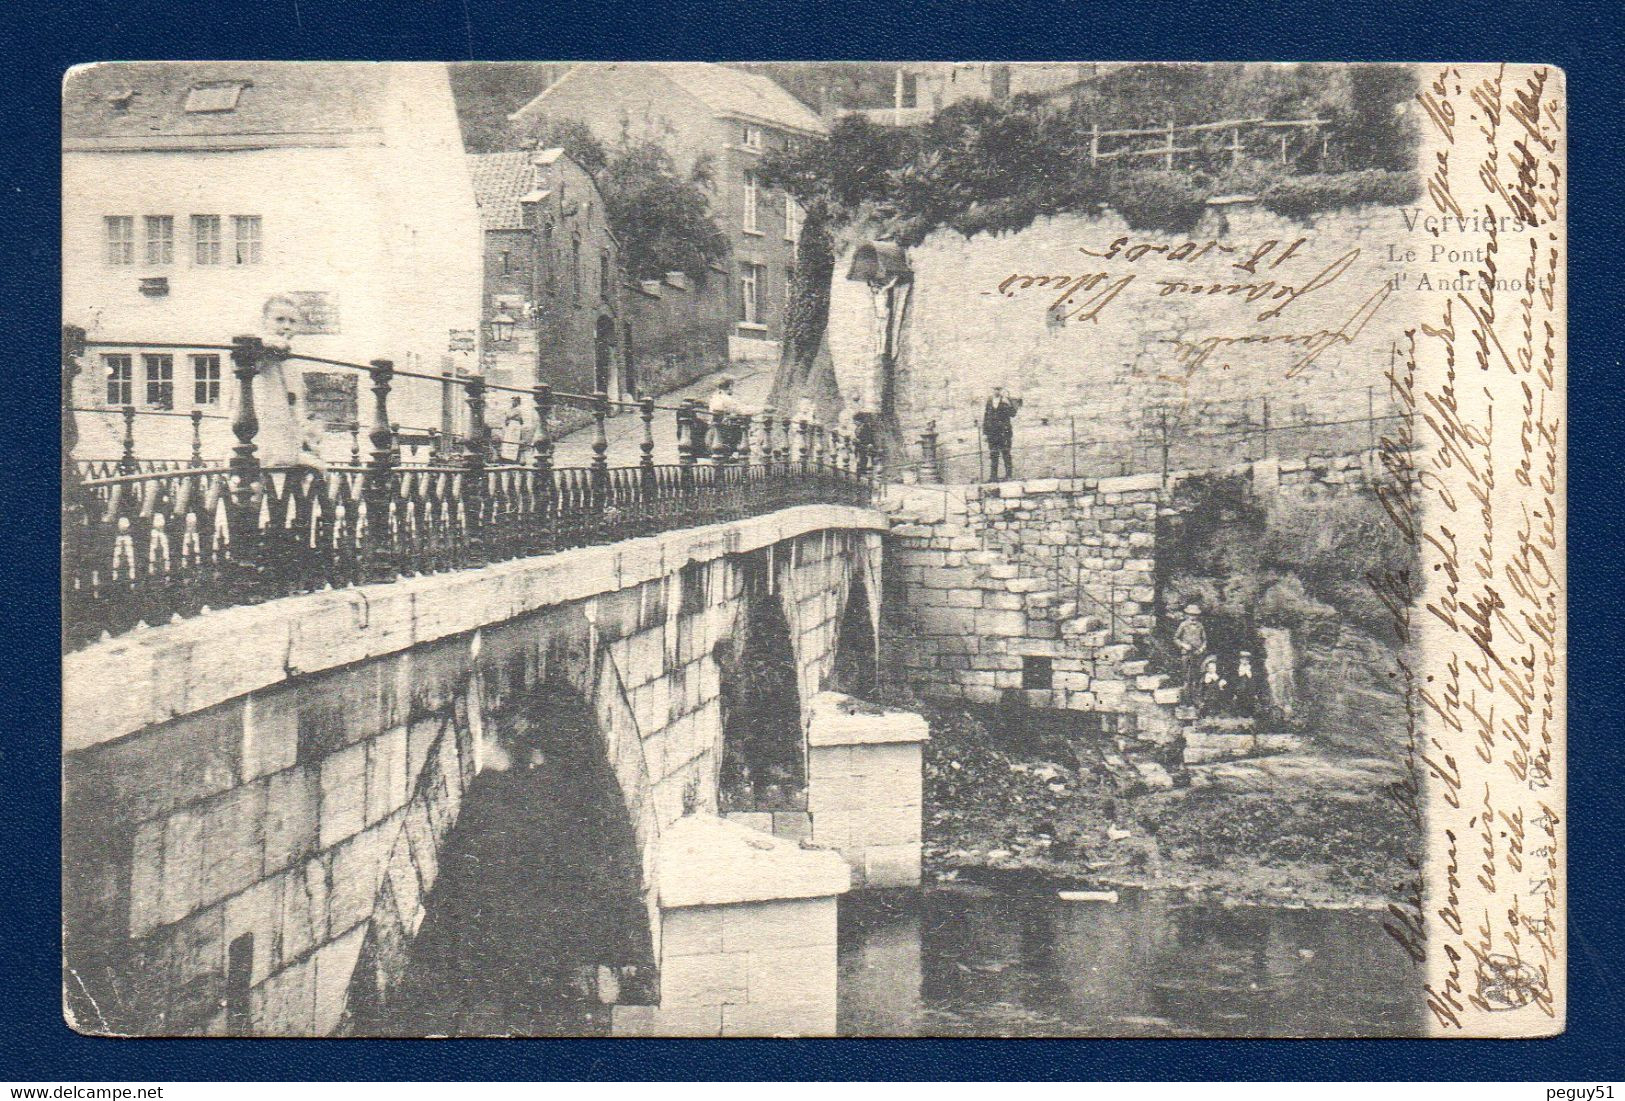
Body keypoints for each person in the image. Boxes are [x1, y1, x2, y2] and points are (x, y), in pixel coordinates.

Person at [246, 295, 326, 471]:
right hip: (260, 441)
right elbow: (255, 356)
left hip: (287, 443)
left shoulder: (291, 362)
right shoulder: (259, 349)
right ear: (264, 321)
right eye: (279, 320)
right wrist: (272, 344)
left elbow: (296, 405)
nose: (286, 326)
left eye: (292, 321)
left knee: (319, 470)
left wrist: (309, 432)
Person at [982, 386, 1020, 481]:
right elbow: (986, 417)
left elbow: (1013, 414)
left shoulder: (1006, 401)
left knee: (1006, 453)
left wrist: (1008, 404)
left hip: (1004, 433)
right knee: (993, 455)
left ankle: (1009, 475)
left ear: (1002, 390)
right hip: (992, 433)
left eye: (999, 389)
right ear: (992, 390)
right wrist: (985, 433)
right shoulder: (989, 401)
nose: (997, 391)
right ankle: (993, 477)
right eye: (995, 389)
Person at [1173, 602, 1208, 704]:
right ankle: (1186, 700)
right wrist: (1184, 645)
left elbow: (1204, 640)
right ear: (1187, 614)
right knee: (1186, 676)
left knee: (1196, 676)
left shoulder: (1200, 626)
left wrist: (1202, 648)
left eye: (1195, 615)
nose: (1193, 617)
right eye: (1191, 614)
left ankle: (1196, 699)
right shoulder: (1183, 625)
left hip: (1198, 654)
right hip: (1186, 654)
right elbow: (1175, 638)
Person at [708, 377, 745, 458]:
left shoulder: (715, 396)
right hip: (723, 429)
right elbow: (740, 411)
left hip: (712, 427)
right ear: (730, 386)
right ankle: (736, 452)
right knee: (740, 425)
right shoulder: (726, 398)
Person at [501, 395, 532, 464]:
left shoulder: (518, 409)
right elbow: (506, 418)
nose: (512, 402)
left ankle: (514, 458)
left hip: (515, 427)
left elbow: (510, 416)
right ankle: (507, 457)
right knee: (508, 440)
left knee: (514, 441)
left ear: (517, 402)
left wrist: (508, 415)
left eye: (514, 401)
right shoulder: (511, 409)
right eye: (512, 401)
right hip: (510, 427)